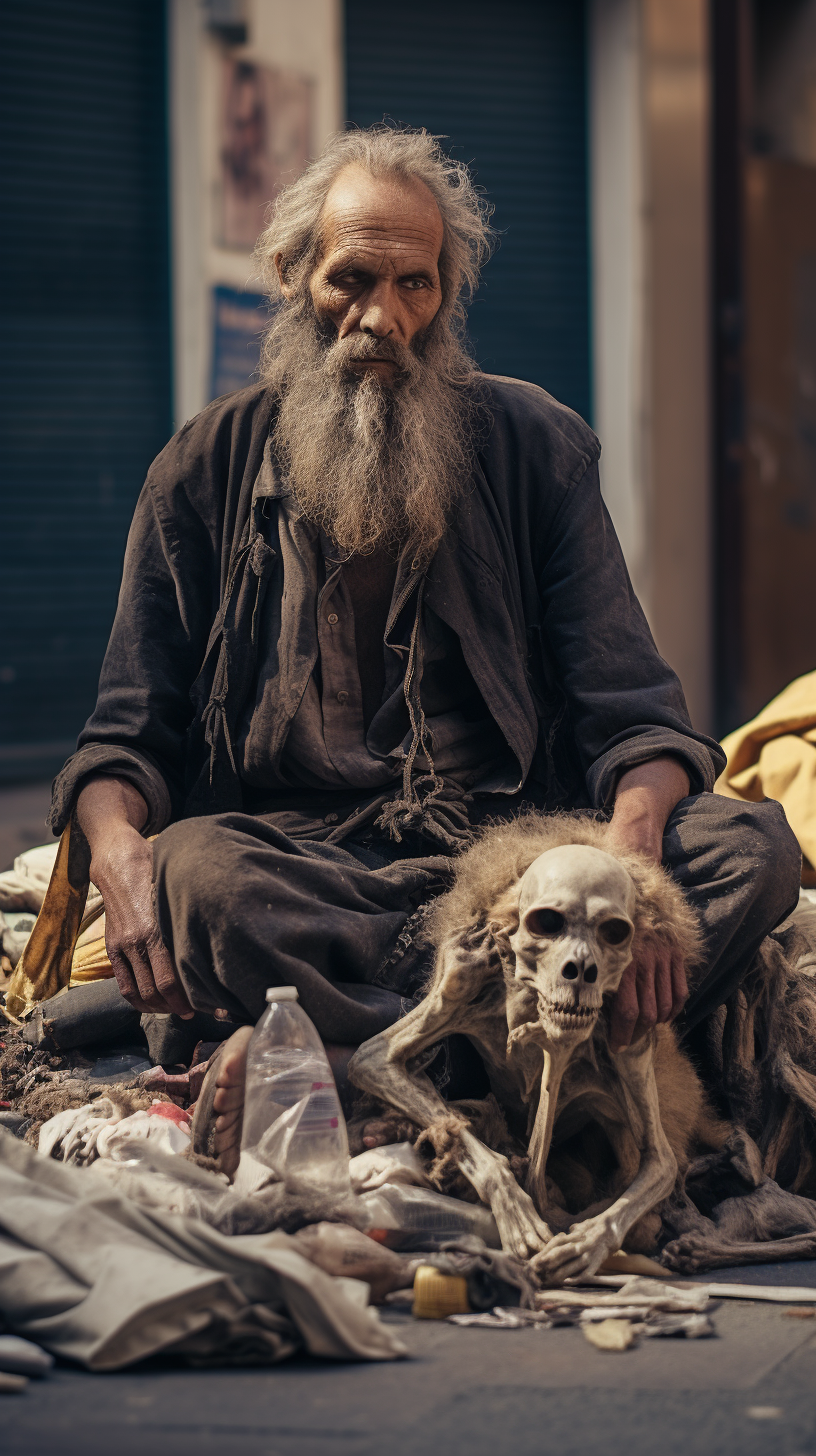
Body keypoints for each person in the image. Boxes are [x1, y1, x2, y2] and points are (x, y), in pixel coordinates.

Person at [52, 127, 800, 1173]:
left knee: (749, 849)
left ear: (447, 293)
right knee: (198, 876)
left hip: (519, 871)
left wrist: (629, 872)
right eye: (351, 280)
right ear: (291, 277)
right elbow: (124, 735)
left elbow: (634, 711)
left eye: (415, 284)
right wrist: (121, 859)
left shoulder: (535, 448)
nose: (381, 319)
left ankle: (378, 1063)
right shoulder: (201, 470)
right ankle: (494, 1060)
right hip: (309, 875)